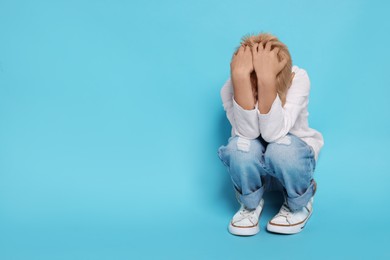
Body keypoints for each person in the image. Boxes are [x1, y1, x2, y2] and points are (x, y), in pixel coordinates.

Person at [217, 33, 324, 235]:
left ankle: (299, 202)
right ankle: (250, 204)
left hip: (292, 166)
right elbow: (247, 133)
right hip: (256, 171)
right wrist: (241, 80)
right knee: (239, 147)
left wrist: (267, 81)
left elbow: (273, 133)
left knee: (281, 149)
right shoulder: (230, 87)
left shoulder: (298, 78)